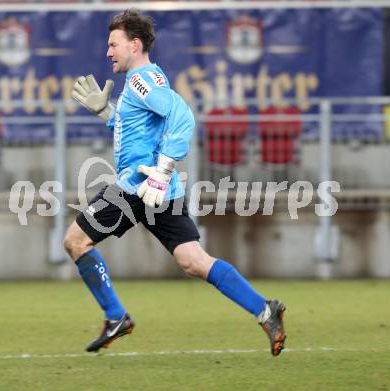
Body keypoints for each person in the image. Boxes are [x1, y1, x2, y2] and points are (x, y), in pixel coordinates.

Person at [64, 9, 286, 356]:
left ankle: (115, 316)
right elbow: (140, 133)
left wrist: (162, 172)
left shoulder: (141, 81)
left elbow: (182, 117)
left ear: (134, 44)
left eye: (114, 44)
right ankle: (265, 309)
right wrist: (107, 113)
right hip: (157, 189)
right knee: (193, 261)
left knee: (76, 241)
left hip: (137, 187)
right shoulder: (142, 81)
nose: (108, 52)